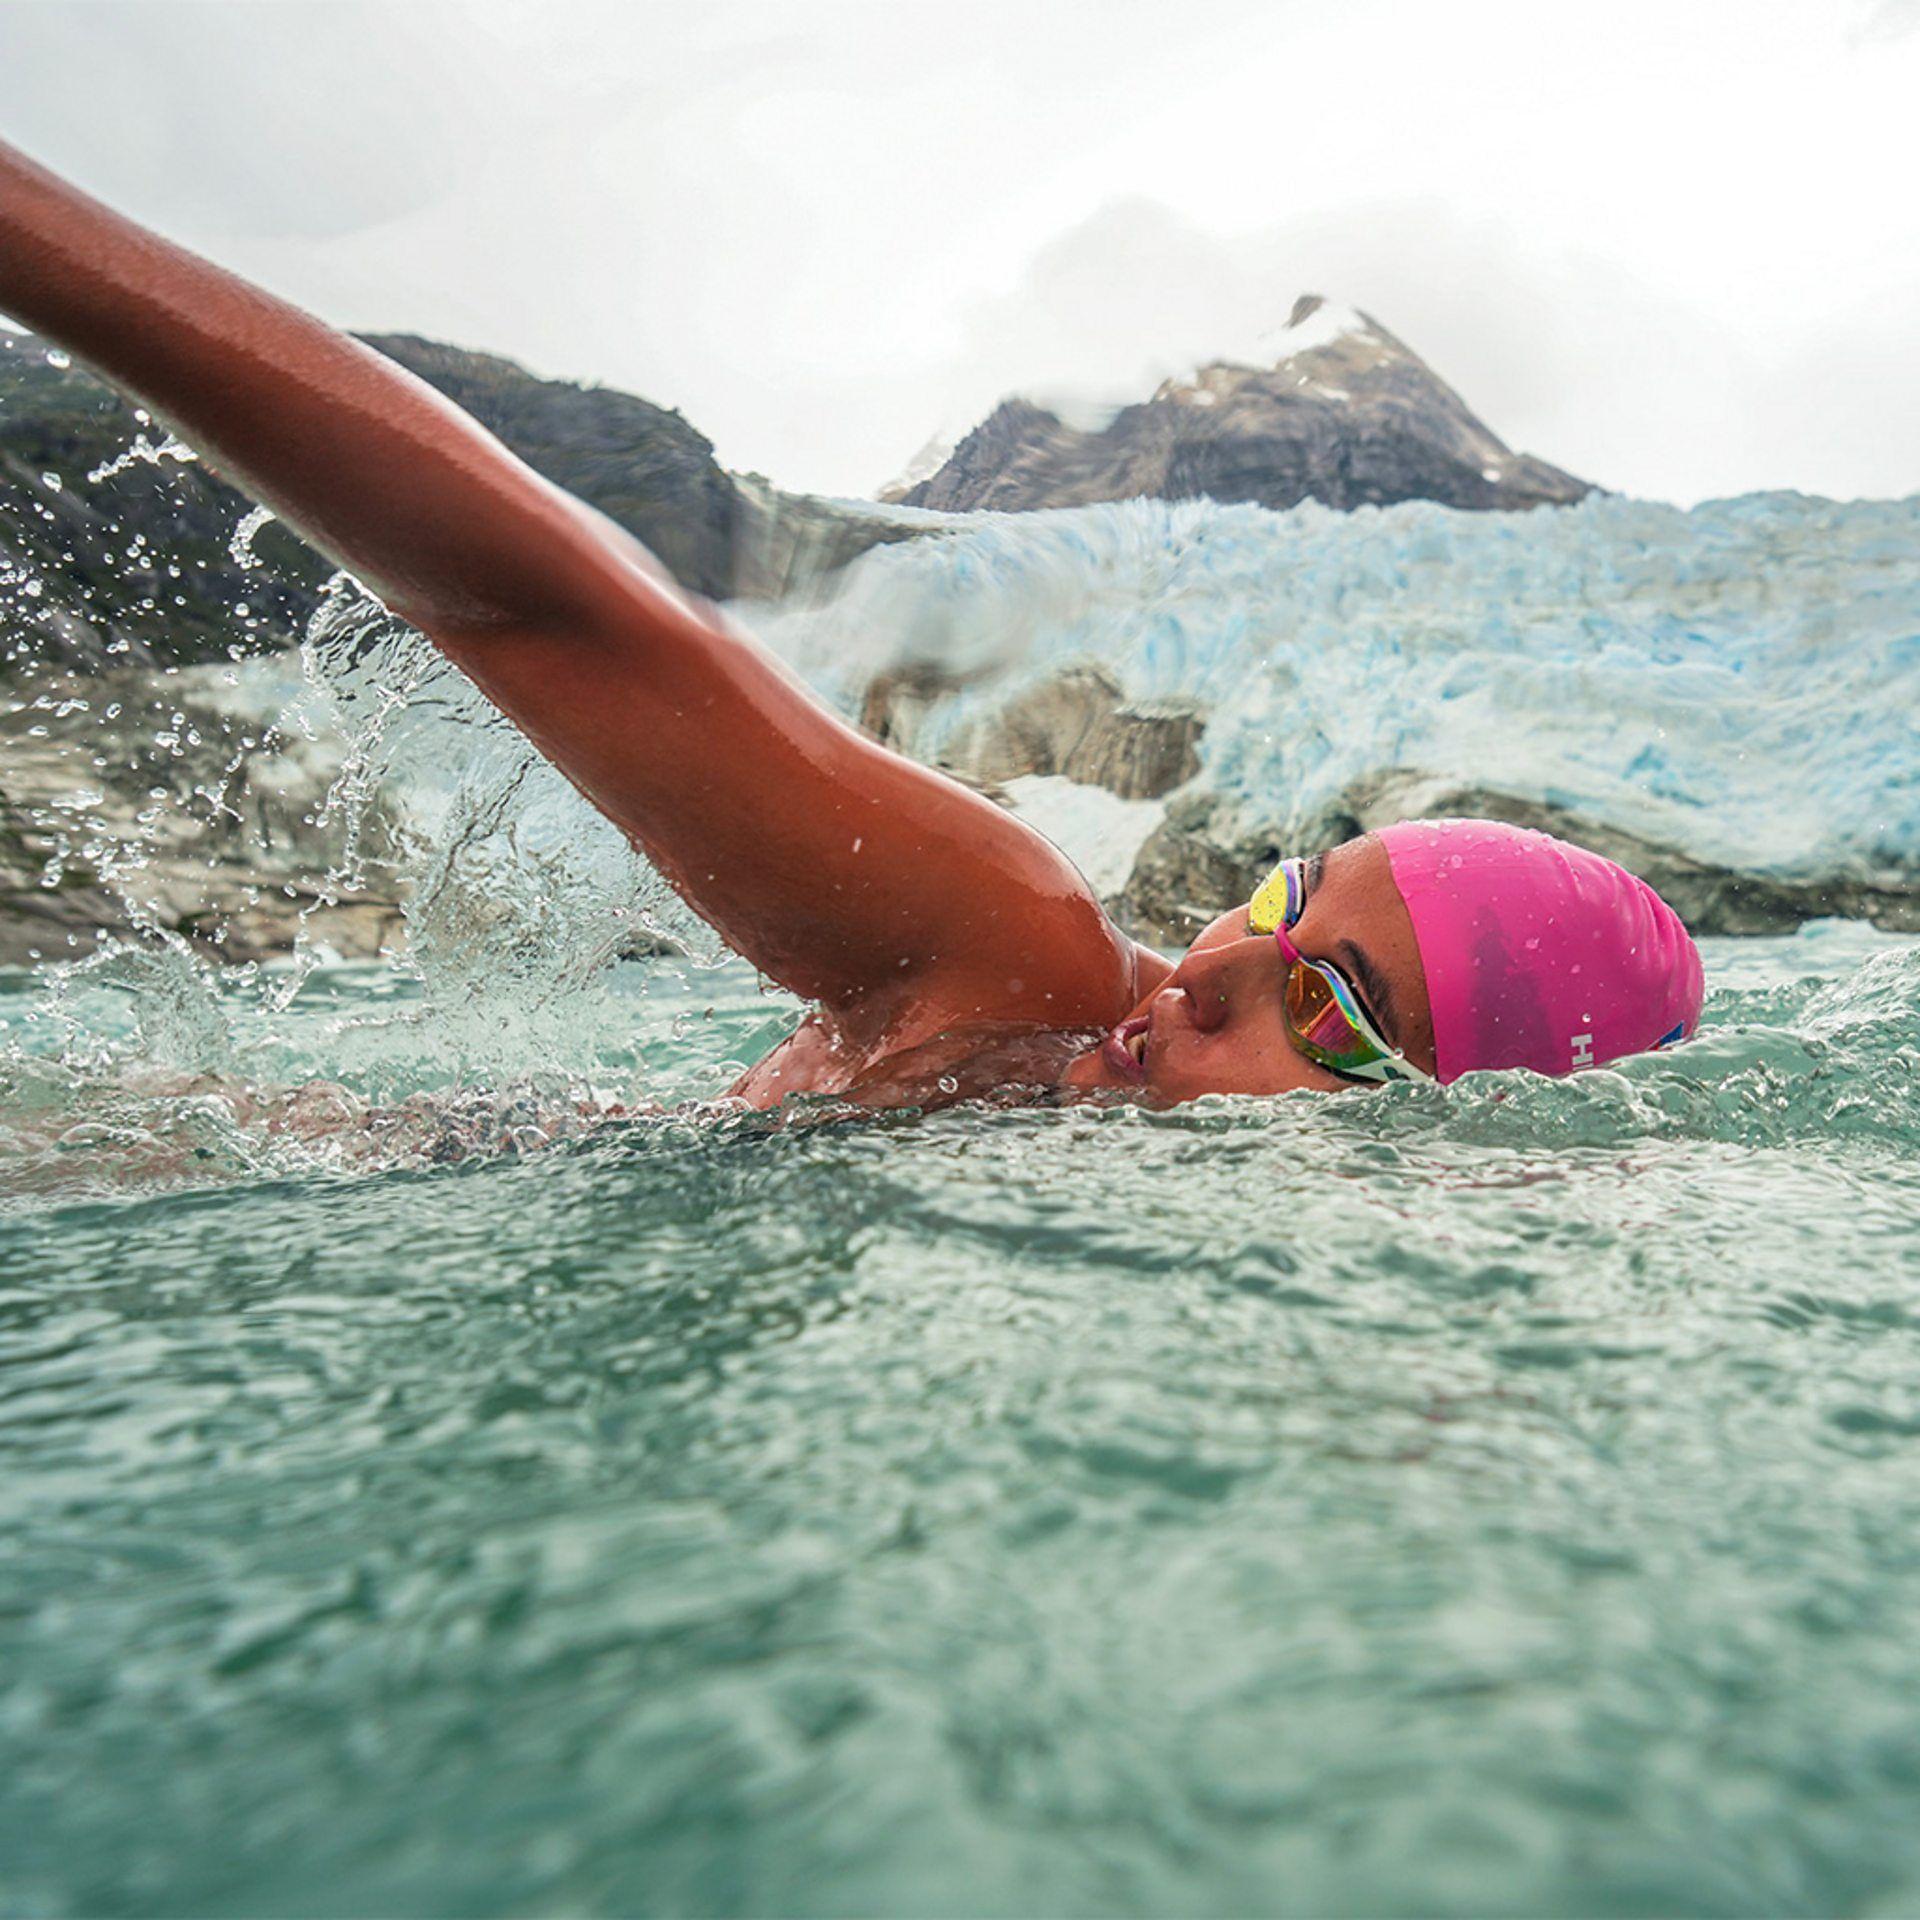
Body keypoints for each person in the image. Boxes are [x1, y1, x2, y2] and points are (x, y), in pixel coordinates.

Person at [0, 139, 1703, 1114]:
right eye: (1273, 899)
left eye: (1332, 1010)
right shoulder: (1017, 962)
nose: (1210, 971)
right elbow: (559, 615)